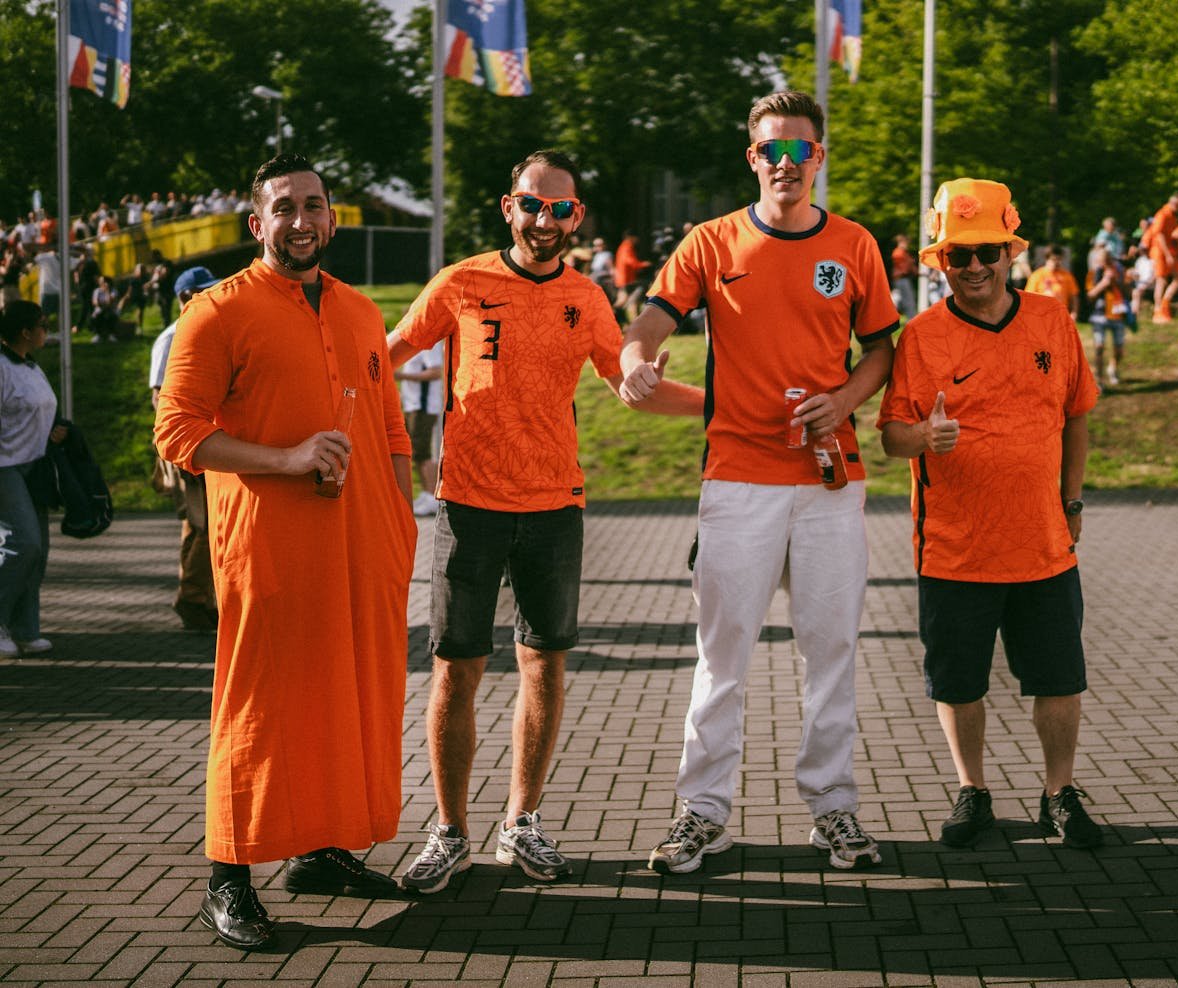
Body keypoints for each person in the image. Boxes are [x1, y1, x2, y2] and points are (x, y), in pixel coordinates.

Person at [387, 149, 702, 895]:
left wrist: (722, 405)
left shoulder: (587, 297)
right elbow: (387, 353)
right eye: (533, 205)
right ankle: (450, 831)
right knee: (455, 672)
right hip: (468, 505)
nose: (545, 220)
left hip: (554, 506)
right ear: (509, 207)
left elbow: (629, 383)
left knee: (543, 665)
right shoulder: (461, 282)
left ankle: (520, 823)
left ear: (577, 217)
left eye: (560, 209)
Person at [619, 91, 898, 874]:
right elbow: (648, 324)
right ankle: (702, 813)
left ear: (819, 158)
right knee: (723, 651)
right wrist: (634, 361)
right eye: (771, 151)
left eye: (799, 150)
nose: (785, 164)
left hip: (828, 479)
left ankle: (834, 808)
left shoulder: (855, 245)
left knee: (831, 648)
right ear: (753, 159)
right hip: (738, 475)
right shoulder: (711, 243)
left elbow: (882, 350)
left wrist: (843, 399)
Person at [153, 152, 418, 951]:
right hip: (267, 548)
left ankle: (322, 852)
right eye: (284, 208)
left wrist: (400, 522)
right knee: (260, 709)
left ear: (332, 217)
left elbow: (393, 427)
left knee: (347, 699)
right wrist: (288, 458)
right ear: (256, 223)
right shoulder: (216, 312)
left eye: (314, 205)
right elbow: (178, 434)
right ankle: (227, 877)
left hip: (363, 546)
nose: (300, 221)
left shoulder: (362, 312)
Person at [877, 177, 1103, 850]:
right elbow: (891, 437)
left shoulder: (1051, 321)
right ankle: (972, 789)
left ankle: (1059, 792)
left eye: (987, 252)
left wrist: (1072, 499)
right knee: (959, 682)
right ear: (938, 261)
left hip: (1043, 542)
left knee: (1059, 680)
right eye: (958, 255)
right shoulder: (920, 337)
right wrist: (923, 437)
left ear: (1011, 251)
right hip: (955, 548)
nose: (974, 267)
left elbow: (1077, 415)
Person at [149, 266, 222, 632]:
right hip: (187, 445)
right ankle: (192, 597)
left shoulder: (203, 326)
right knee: (203, 524)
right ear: (183, 297)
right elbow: (162, 397)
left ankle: (200, 597)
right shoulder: (171, 336)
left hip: (204, 439)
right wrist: (179, 451)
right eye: (202, 290)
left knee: (199, 524)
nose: (210, 295)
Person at [0, 301, 66, 658]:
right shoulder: (2, 367)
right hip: (5, 467)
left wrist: (52, 432)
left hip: (33, 466)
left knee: (38, 550)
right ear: (25, 332)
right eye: (43, 324)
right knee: (24, 544)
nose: (47, 329)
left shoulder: (30, 366)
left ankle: (25, 628)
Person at [392, 340, 444, 516]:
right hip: (414, 405)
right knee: (417, 452)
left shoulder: (429, 343)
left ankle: (432, 496)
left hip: (425, 405)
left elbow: (436, 372)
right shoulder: (415, 343)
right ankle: (426, 493)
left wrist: (402, 377)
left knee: (424, 452)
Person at [1084, 245, 1130, 388]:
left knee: (1119, 349)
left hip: (1117, 314)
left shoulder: (1119, 272)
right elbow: (1090, 296)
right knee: (1099, 347)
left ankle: (1113, 369)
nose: (1103, 264)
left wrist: (1115, 281)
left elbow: (1127, 292)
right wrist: (1103, 284)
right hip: (1099, 316)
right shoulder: (1092, 274)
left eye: (1107, 261)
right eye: (1101, 261)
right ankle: (1099, 379)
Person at [1145, 194, 1178, 323]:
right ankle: (1157, 311)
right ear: (1171, 202)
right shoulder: (1162, 214)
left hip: (1170, 252)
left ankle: (1165, 303)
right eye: (1176, 204)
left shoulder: (1173, 216)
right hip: (1160, 252)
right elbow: (1159, 235)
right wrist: (1167, 255)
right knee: (1161, 280)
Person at [1025, 245, 1080, 320]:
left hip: (1061, 316)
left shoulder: (1067, 276)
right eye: (1054, 259)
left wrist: (1074, 313)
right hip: (1041, 317)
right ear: (1047, 259)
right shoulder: (1036, 275)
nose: (1057, 262)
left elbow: (1074, 296)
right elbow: (1028, 299)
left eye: (1059, 259)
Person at [890, 232, 918, 320]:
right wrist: (911, 262)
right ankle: (911, 319)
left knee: (897, 299)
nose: (907, 245)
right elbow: (905, 268)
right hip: (901, 279)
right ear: (902, 242)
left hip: (901, 279)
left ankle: (889, 318)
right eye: (906, 243)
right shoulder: (898, 253)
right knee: (908, 300)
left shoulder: (902, 253)